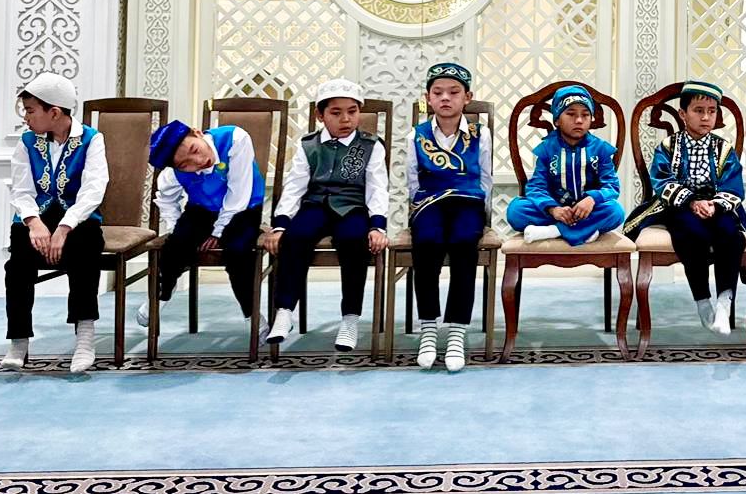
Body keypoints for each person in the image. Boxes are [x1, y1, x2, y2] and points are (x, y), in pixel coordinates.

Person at [265, 79, 389, 352]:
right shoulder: (308, 144)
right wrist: (281, 224)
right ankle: (284, 311)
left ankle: (350, 319)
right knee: (295, 237)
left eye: (352, 111)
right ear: (320, 115)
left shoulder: (371, 145)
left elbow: (377, 187)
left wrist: (377, 225)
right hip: (316, 205)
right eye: (336, 112)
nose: (346, 119)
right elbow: (295, 185)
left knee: (354, 241)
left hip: (352, 207)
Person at [2, 74, 107, 374]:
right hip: (38, 217)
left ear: (55, 112)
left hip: (77, 219)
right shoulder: (26, 142)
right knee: (17, 263)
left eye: (31, 110)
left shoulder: (92, 139)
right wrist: (34, 223)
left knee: (86, 249)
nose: (26, 117)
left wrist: (64, 227)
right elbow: (21, 190)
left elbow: (93, 189)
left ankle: (85, 338)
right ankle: (18, 341)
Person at [624, 81, 746, 335]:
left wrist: (714, 205)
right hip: (679, 205)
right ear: (683, 114)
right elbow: (662, 181)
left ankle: (724, 302)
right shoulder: (668, 147)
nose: (706, 117)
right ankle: (702, 300)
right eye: (698, 110)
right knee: (690, 231)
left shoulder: (723, 149)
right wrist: (691, 201)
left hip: (716, 204)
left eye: (711, 111)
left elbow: (733, 184)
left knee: (731, 234)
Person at [141, 119, 266, 341]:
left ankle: (253, 315)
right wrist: (177, 227)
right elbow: (166, 199)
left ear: (197, 133)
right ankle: (161, 295)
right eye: (185, 165)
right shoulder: (171, 175)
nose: (198, 162)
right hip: (202, 209)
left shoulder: (235, 139)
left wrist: (218, 233)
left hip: (244, 208)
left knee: (238, 252)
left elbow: (238, 194)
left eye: (194, 150)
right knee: (176, 245)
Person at [408, 63, 492, 372]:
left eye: (454, 92)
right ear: (427, 98)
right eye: (438, 92)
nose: (446, 98)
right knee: (427, 241)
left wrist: (483, 215)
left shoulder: (480, 134)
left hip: (468, 203)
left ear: (467, 97)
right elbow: (412, 180)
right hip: (429, 203)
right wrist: (418, 210)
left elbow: (486, 178)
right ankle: (429, 328)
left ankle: (457, 329)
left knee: (464, 242)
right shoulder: (416, 135)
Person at [505, 85, 624, 246]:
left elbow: (611, 186)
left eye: (585, 115)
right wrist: (553, 209)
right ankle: (585, 230)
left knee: (615, 211)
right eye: (571, 114)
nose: (579, 120)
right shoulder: (547, 149)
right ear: (557, 120)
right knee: (516, 210)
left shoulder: (600, 149)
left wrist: (592, 199)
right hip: (557, 211)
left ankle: (554, 231)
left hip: (587, 210)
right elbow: (536, 187)